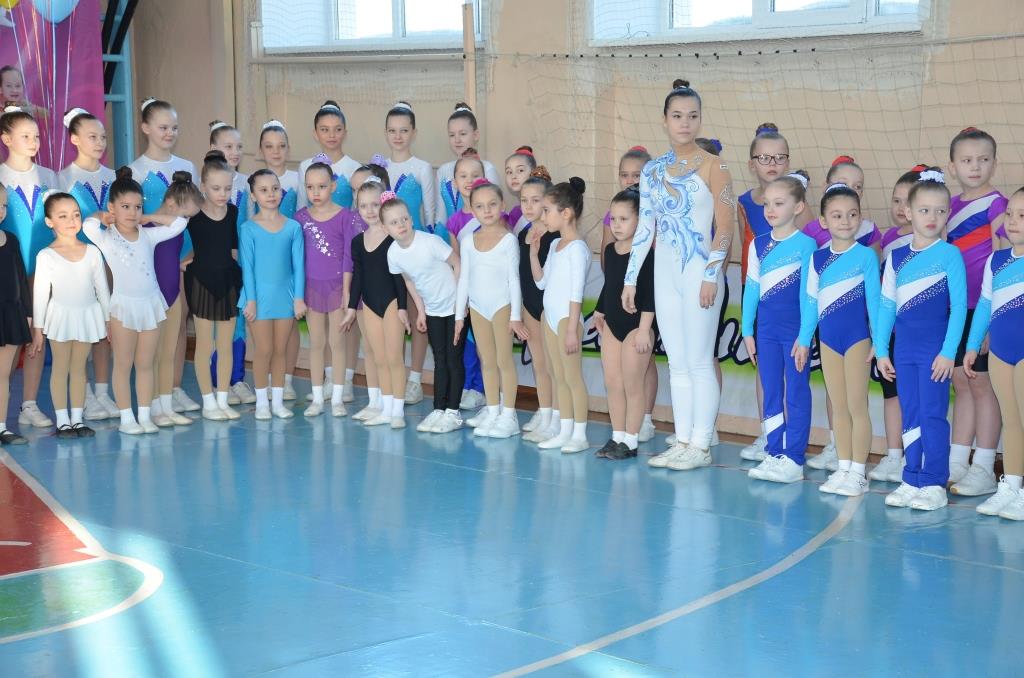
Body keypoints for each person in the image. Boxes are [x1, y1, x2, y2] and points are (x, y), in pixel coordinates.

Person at [625, 79, 735, 471]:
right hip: (665, 276)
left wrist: (711, 273)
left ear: (700, 119)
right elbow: (645, 227)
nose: (685, 123)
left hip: (700, 273)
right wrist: (631, 278)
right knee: (677, 362)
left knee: (700, 361)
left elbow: (725, 227)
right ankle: (684, 440)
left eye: (692, 116)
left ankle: (701, 445)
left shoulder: (715, 165)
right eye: (677, 116)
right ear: (665, 121)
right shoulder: (652, 170)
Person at [875, 170, 967, 511]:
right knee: (910, 412)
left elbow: (959, 308)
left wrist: (948, 352)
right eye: (925, 210)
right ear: (908, 212)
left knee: (932, 414)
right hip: (904, 351)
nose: (933, 217)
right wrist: (881, 350)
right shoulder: (897, 258)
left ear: (948, 214)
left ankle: (934, 481)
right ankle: (911, 476)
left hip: (934, 353)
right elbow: (886, 306)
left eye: (940, 211)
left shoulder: (949, 255)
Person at [82, 167, 193, 434]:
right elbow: (87, 226)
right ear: (112, 207)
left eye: (137, 206)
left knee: (145, 364)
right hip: (123, 308)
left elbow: (180, 223)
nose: (132, 212)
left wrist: (149, 217)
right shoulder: (107, 238)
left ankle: (144, 416)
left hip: (150, 305)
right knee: (123, 365)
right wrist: (102, 216)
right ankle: (127, 419)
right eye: (125, 206)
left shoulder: (148, 235)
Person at [794, 183, 880, 496]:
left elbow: (875, 303)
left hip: (857, 340)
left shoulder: (866, 257)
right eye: (837, 215)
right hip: (828, 341)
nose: (845, 221)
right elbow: (810, 302)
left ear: (860, 218)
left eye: (852, 214)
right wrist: (804, 339)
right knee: (839, 406)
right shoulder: (817, 259)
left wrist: (879, 343)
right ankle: (843, 467)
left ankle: (858, 472)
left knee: (857, 406)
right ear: (824, 221)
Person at [742, 174, 817, 483]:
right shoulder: (758, 244)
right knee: (771, 390)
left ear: (798, 207)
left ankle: (794, 458)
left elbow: (810, 296)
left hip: (795, 333)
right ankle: (774, 452)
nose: (770, 210)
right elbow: (751, 289)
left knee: (796, 392)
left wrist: (805, 337)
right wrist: (747, 331)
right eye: (767, 204)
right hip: (766, 332)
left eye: (779, 203)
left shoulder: (807, 245)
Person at [963, 187, 1024, 519]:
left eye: (1022, 216)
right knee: (1011, 422)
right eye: (1010, 213)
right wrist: (973, 345)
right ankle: (1011, 487)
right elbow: (985, 305)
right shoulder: (996, 260)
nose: (1013, 221)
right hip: (1001, 353)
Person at [31, 192, 110, 438]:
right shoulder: (46, 255)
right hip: (60, 318)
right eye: (63, 216)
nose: (72, 220)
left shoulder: (92, 252)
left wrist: (108, 320)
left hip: (87, 315)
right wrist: (38, 330)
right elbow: (40, 294)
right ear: (49, 221)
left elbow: (102, 289)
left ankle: (77, 419)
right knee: (61, 367)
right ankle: (62, 421)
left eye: (76, 215)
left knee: (79, 369)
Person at [454, 179, 527, 438]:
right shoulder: (468, 241)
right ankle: (493, 410)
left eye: (492, 204)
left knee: (503, 360)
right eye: (480, 206)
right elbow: (464, 279)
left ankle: (509, 415)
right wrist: (459, 315)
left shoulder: (508, 240)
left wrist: (515, 316)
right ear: (472, 210)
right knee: (487, 360)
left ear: (502, 205)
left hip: (501, 307)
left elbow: (514, 279)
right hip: (477, 308)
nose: (486, 210)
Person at [1, 105, 58, 429]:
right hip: (7, 272)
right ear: (6, 139)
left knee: (38, 334)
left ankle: (30, 403)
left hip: (41, 268)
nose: (33, 142)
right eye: (25, 136)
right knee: (7, 341)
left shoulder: (49, 176)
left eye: (36, 136)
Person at [239, 170, 306, 420]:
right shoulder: (248, 228)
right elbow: (247, 267)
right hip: (258, 298)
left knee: (280, 350)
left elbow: (299, 266)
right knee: (264, 350)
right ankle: (261, 404)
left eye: (275, 189)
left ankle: (277, 403)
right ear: (253, 196)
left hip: (285, 297)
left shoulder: (293, 227)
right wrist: (251, 300)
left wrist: (298, 298)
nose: (271, 194)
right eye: (264, 190)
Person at [531, 178, 592, 453]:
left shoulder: (577, 248)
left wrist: (571, 329)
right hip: (550, 318)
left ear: (566, 213)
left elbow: (576, 292)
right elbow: (541, 283)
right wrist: (533, 254)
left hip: (567, 320)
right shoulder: (556, 244)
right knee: (557, 376)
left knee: (572, 377)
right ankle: (564, 430)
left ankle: (579, 434)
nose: (543, 216)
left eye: (547, 210)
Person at [594, 184, 655, 460]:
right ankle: (617, 436)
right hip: (613, 325)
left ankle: (631, 441)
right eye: (613, 219)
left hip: (637, 327)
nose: (617, 225)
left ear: (640, 221)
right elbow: (611, 284)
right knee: (613, 382)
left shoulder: (647, 254)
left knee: (633, 384)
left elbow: (651, 293)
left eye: (624, 219)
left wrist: (644, 330)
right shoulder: (610, 250)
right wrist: (599, 311)